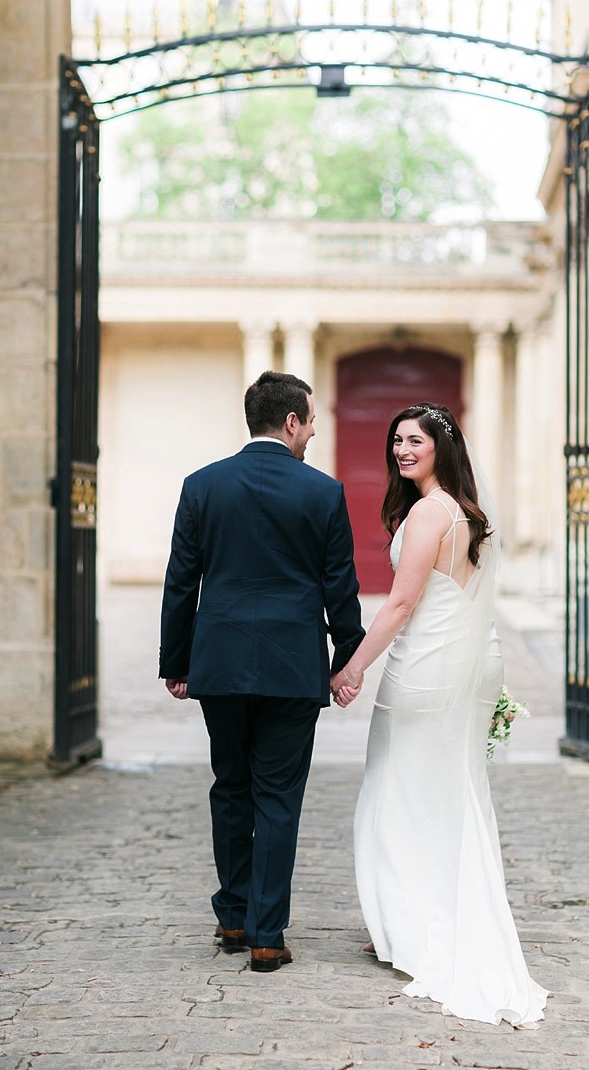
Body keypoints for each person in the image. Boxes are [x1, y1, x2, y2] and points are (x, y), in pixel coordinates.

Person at [330, 402, 547, 1026]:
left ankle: (411, 928)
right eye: (396, 440)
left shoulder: (430, 512)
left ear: (441, 448)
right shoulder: (469, 514)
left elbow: (400, 605)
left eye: (415, 441)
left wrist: (353, 668)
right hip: (466, 667)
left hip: (425, 669)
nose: (402, 450)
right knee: (444, 793)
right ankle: (420, 918)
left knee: (395, 793)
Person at [159, 371, 365, 973]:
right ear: (292, 422)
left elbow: (180, 582)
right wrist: (345, 662)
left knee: (230, 784)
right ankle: (266, 934)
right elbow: (340, 589)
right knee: (277, 794)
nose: (312, 436)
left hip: (218, 663)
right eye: (311, 424)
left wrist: (177, 661)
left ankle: (232, 913)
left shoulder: (201, 486)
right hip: (292, 667)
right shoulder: (323, 493)